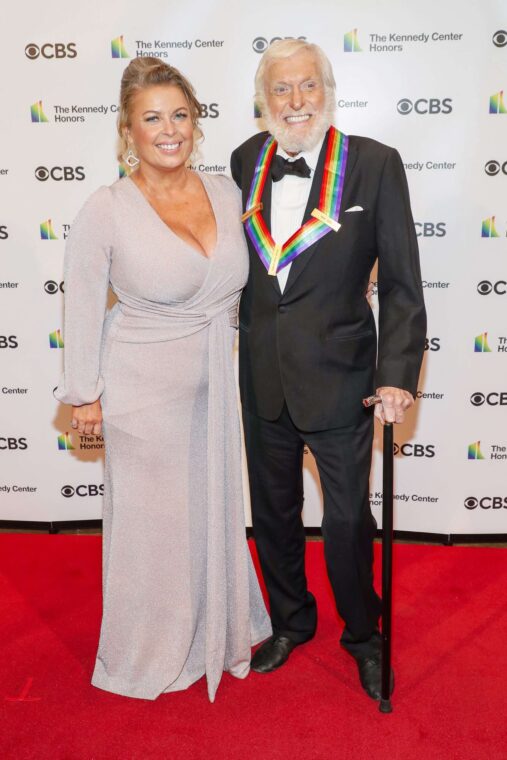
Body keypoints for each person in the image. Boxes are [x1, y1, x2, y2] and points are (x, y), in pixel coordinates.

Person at [54, 57, 271, 702]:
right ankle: (146, 648)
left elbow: (271, 269)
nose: (168, 129)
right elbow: (83, 302)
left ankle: (215, 627)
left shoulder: (227, 192)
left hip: (212, 382)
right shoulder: (107, 207)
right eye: (152, 118)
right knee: (153, 528)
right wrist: (84, 395)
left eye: (180, 115)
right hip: (140, 391)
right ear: (128, 130)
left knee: (208, 510)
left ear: (196, 123)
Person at [231, 39, 426, 700]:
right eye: (281, 89)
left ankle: (363, 636)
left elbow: (401, 284)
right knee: (274, 511)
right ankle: (290, 622)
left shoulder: (373, 164)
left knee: (346, 521)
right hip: (260, 375)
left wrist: (396, 372)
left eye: (306, 86)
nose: (295, 101)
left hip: (343, 379)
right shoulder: (245, 160)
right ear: (264, 100)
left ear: (326, 91)